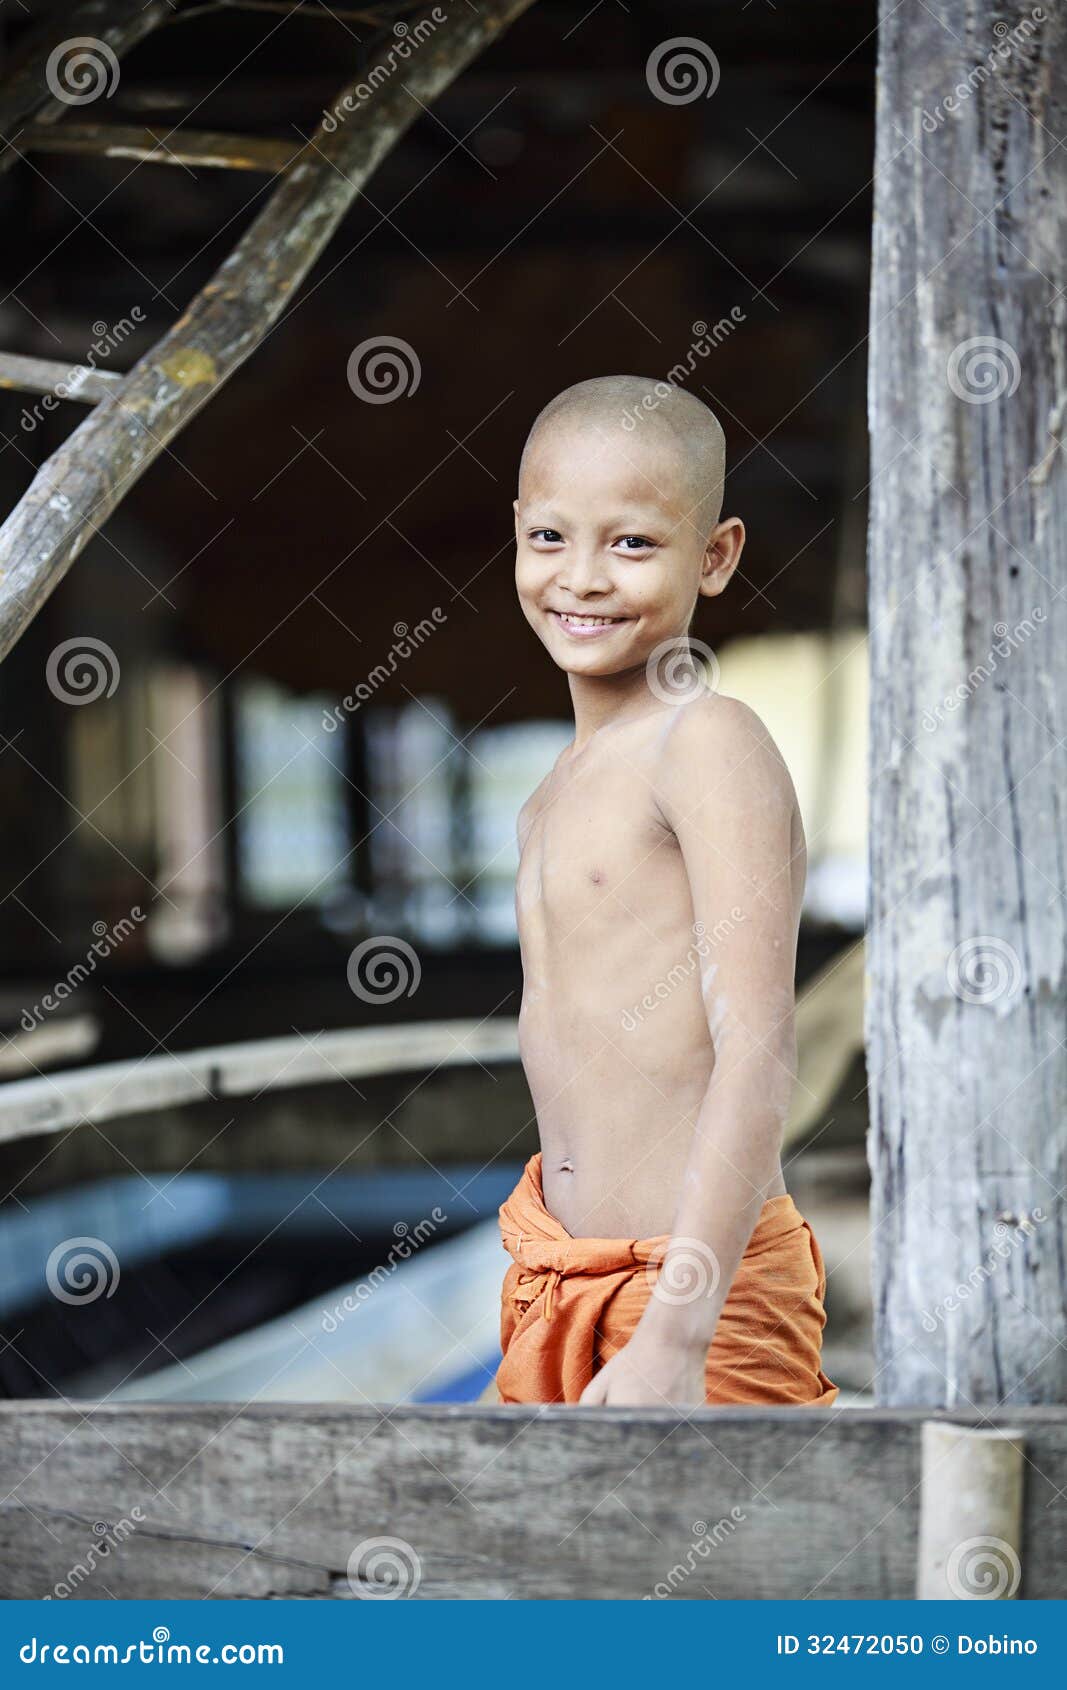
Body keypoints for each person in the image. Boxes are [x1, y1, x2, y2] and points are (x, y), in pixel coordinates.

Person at [495, 374, 838, 1407]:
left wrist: (678, 1334)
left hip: (696, 1295)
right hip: (554, 1278)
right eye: (550, 537)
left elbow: (757, 1045)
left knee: (712, 1568)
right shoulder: (550, 794)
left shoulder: (706, 742)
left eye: (632, 544)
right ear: (515, 534)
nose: (583, 577)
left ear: (715, 555)